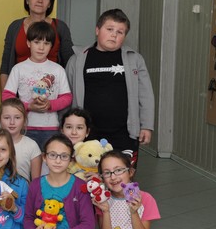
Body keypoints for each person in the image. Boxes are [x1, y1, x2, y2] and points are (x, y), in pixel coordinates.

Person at [66, 9, 155, 167]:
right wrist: (65, 127)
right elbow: (67, 94)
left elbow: (146, 95)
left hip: (124, 133)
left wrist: (147, 126)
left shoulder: (134, 59)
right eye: (109, 29)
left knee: (121, 176)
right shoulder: (77, 59)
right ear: (97, 30)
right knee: (87, 176)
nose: (114, 35)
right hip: (87, 133)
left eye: (120, 32)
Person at [3, 21, 72, 149]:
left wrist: (50, 105)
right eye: (37, 42)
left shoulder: (58, 70)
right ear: (28, 43)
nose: (41, 47)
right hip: (24, 127)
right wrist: (28, 106)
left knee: (49, 160)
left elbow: (67, 97)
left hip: (51, 128)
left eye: (46, 43)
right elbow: (7, 97)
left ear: (51, 46)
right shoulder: (18, 69)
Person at [0, 0, 74, 88]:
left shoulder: (60, 27)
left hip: (52, 91)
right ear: (27, 0)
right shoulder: (15, 27)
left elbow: (70, 64)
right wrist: (6, 97)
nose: (40, 0)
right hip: (20, 92)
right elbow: (5, 66)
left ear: (50, 4)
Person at [0, 98, 42, 181]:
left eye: (17, 117)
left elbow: (36, 182)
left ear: (24, 120)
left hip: (23, 189)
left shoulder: (32, 145)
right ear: (0, 119)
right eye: (7, 118)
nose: (12, 122)